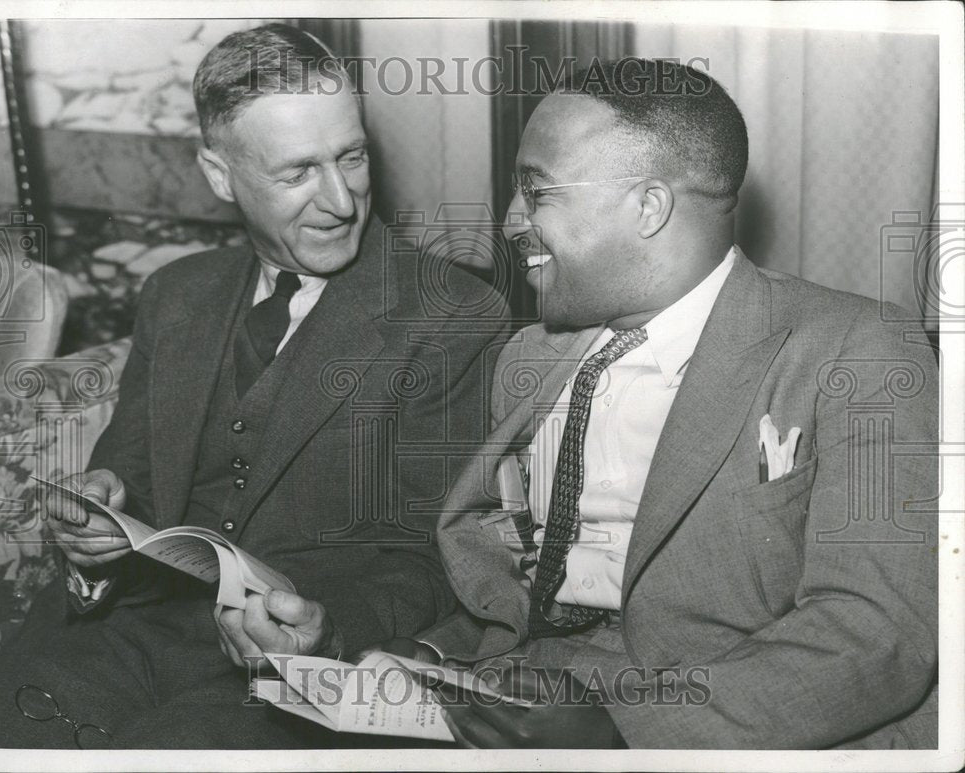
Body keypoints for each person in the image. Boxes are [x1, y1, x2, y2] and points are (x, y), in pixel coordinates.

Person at [384, 59, 938, 748]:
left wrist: (625, 729)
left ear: (649, 207)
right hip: (517, 699)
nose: (509, 222)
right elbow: (520, 584)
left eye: (536, 191)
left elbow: (877, 634)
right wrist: (431, 657)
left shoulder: (856, 349)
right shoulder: (529, 357)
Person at [0, 23, 507, 749]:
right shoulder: (175, 295)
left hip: (298, 678)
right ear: (219, 174)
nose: (339, 200)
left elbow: (436, 559)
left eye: (351, 157)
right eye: (297, 173)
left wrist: (327, 628)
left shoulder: (452, 314)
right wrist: (92, 534)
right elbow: (125, 483)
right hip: (121, 637)